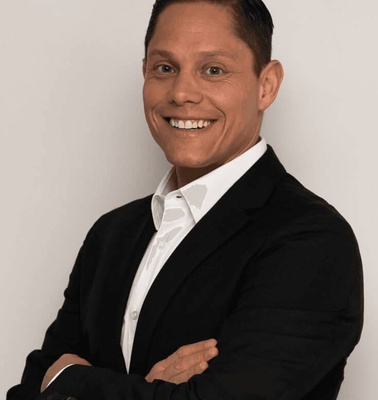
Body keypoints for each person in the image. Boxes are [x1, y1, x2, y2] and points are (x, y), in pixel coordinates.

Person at [7, 1, 363, 399]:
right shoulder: (111, 234)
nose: (181, 93)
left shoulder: (310, 240)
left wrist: (70, 380)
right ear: (144, 72)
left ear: (266, 85)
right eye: (165, 68)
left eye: (213, 70)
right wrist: (152, 389)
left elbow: (52, 381)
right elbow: (28, 390)